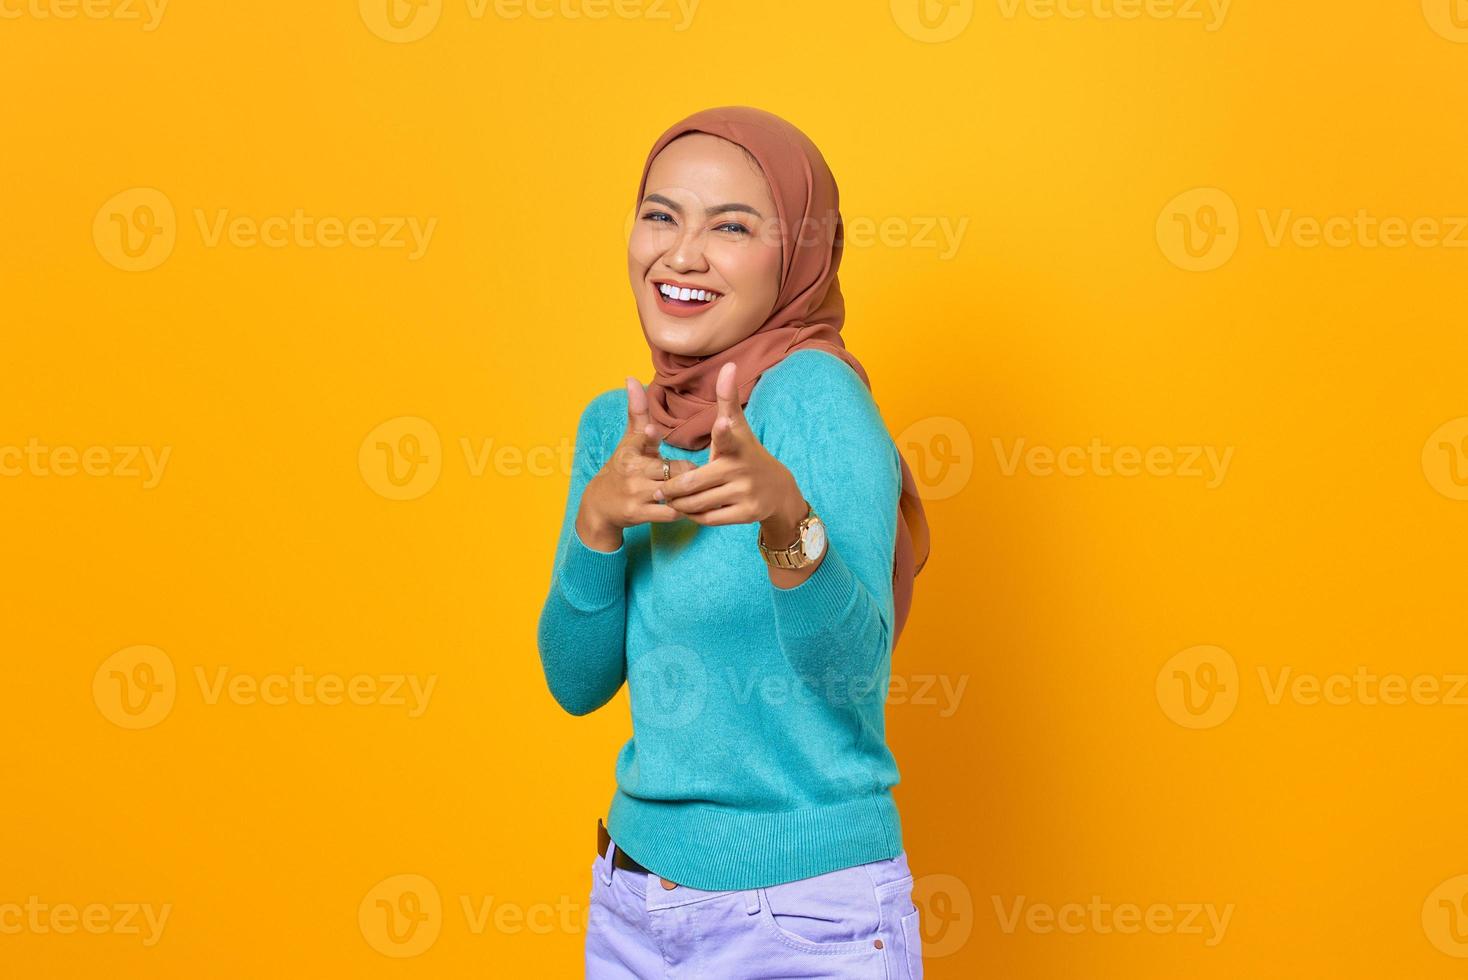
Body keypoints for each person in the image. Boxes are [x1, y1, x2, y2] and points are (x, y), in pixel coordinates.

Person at [535, 105, 932, 979]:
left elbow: (851, 677)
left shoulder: (820, 402)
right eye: (661, 215)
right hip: (635, 905)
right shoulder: (618, 426)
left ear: (795, 256)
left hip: (804, 918)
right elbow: (575, 684)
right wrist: (596, 528)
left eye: (731, 227)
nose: (682, 254)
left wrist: (788, 523)